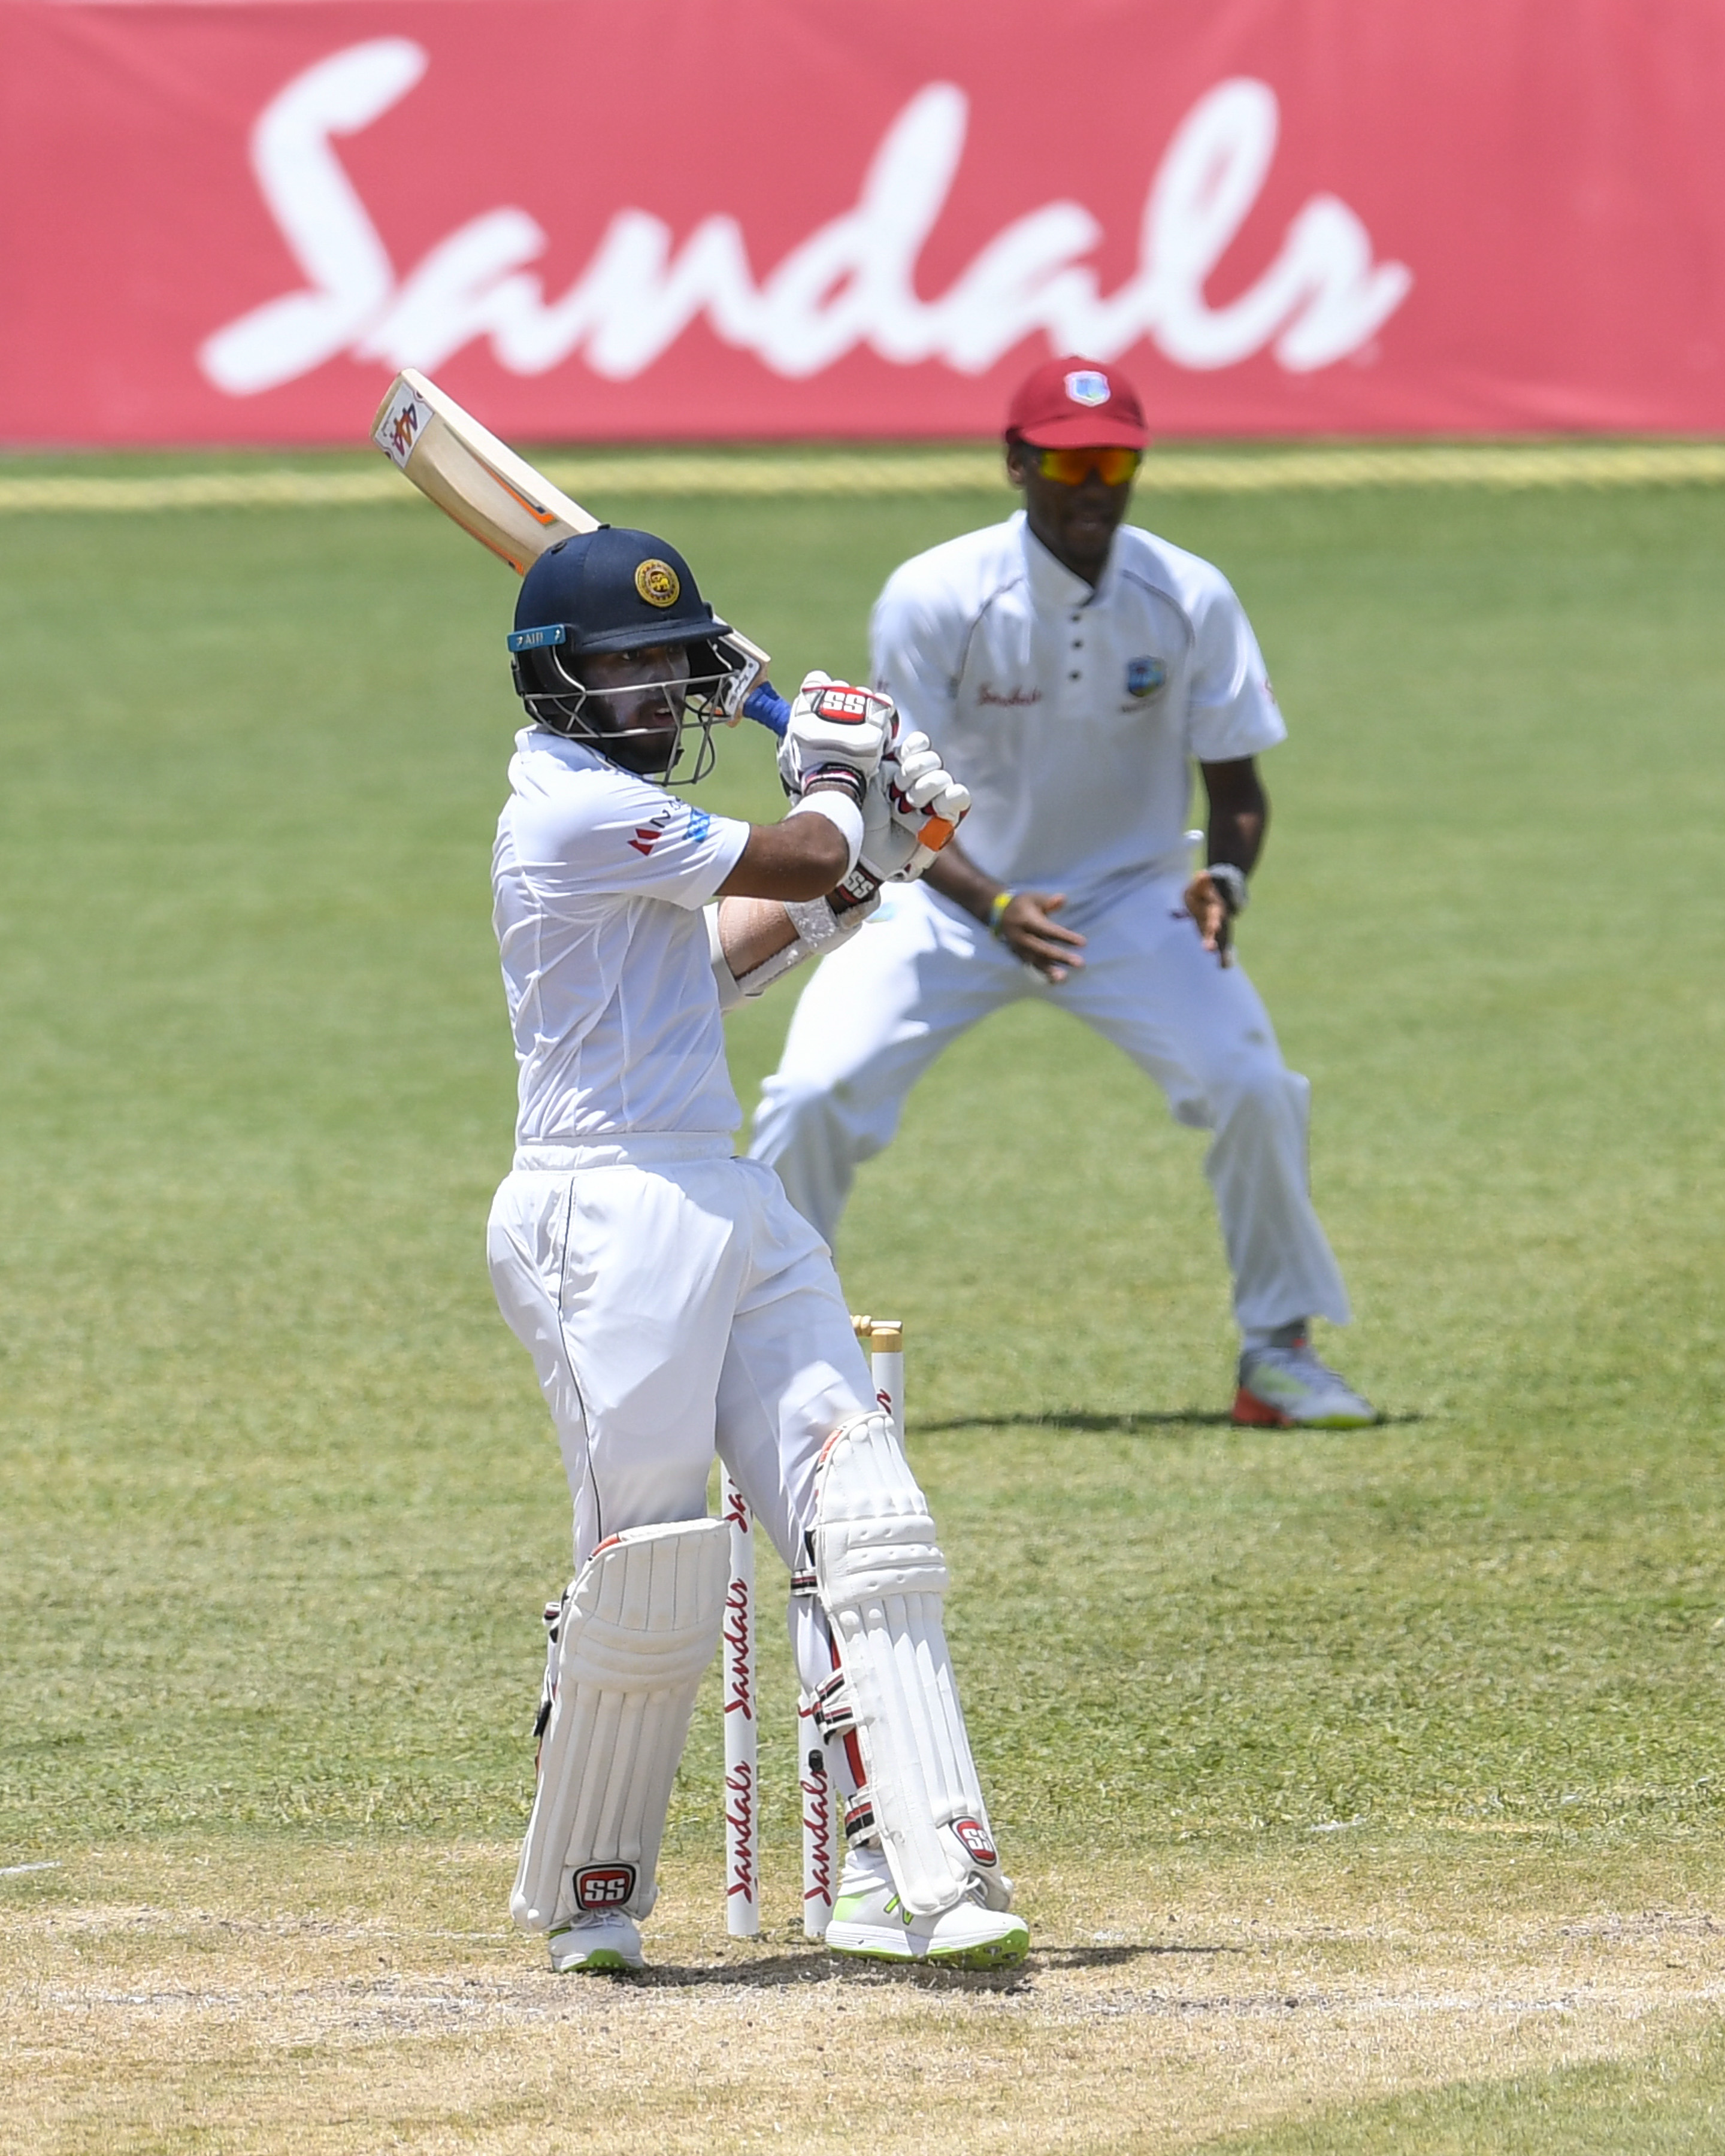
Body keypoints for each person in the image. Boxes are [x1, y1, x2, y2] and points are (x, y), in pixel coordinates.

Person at [482, 521, 1027, 1974]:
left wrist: (878, 862)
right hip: (599, 1212)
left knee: (866, 1513)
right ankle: (593, 1891)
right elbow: (794, 850)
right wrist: (842, 778)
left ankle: (914, 1875)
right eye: (625, 665)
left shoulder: (632, 829)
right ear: (556, 679)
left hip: (720, 1190)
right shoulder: (567, 810)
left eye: (671, 663)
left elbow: (727, 960)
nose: (656, 691)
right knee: (651, 1558)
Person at [748, 356, 1376, 1430]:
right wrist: (996, 905)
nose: (1094, 487)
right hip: (937, 897)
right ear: (1017, 463)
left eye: (1115, 464)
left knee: (1254, 1086)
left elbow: (1237, 786)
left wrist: (1224, 879)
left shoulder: (1189, 594)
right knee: (811, 1096)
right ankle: (761, 1353)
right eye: (1070, 463)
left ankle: (1279, 1354)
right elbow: (892, 797)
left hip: (1128, 900)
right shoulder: (937, 593)